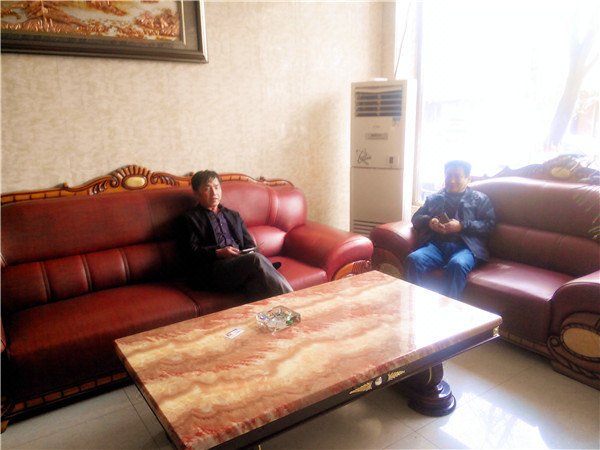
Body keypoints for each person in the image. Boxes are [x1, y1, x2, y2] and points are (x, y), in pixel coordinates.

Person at [180, 170, 293, 301]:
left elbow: (249, 243)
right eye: (207, 188)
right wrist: (219, 253)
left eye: (216, 187)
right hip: (212, 269)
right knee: (255, 261)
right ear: (196, 193)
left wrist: (248, 252)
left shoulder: (233, 215)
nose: (214, 193)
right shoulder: (189, 219)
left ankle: (273, 310)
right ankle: (292, 299)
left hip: (239, 264)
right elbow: (189, 254)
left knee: (257, 279)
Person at [404, 160, 496, 299]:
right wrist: (430, 221)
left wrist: (461, 226)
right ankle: (411, 303)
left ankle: (447, 309)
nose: (452, 180)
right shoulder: (434, 198)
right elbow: (416, 218)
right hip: (436, 246)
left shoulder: (480, 199)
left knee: (457, 264)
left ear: (468, 178)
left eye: (457, 176)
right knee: (413, 259)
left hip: (466, 248)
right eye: (448, 176)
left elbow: (489, 225)